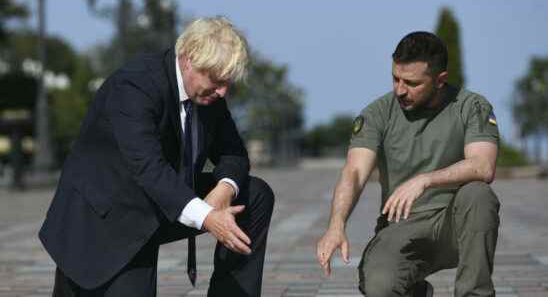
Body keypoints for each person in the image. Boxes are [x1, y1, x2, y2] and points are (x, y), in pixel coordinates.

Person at [39, 16, 275, 297]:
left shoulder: (209, 96)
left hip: (161, 203)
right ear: (188, 59)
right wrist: (208, 217)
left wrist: (224, 189)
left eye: (228, 81)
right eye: (216, 79)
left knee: (255, 194)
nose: (223, 90)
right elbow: (148, 169)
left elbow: (234, 152)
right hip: (104, 221)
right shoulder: (135, 87)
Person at [316, 31, 500, 297]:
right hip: (401, 225)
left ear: (440, 81)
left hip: (453, 224)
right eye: (395, 78)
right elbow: (354, 172)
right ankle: (414, 290)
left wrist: (425, 179)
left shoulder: (471, 107)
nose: (400, 90)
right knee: (379, 287)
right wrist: (336, 223)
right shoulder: (378, 113)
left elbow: (483, 166)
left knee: (479, 195)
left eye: (412, 83)